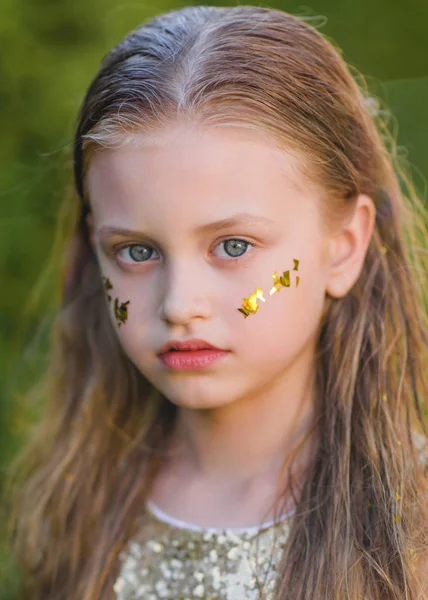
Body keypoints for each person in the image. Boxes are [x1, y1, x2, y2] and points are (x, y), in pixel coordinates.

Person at [4, 5, 428, 599]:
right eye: (136, 251)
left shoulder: (412, 536)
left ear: (344, 245)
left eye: (232, 245)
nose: (179, 304)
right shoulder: (76, 501)